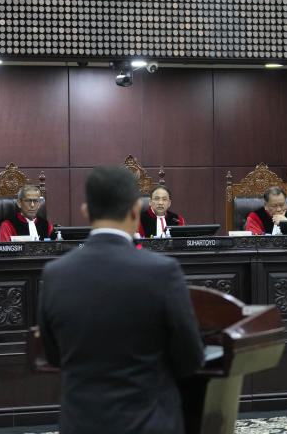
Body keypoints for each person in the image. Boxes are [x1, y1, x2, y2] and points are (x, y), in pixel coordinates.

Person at [38, 165, 204, 434]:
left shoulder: (55, 274)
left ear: (86, 212)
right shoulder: (162, 272)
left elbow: (54, 355)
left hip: (81, 423)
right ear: (136, 210)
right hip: (149, 422)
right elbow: (190, 358)